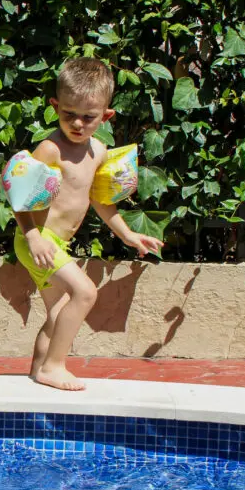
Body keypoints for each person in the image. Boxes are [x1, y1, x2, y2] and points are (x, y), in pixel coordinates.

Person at [14, 57, 164, 391]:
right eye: (69, 114)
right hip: (38, 239)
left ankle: (38, 373)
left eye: (88, 116)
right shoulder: (50, 150)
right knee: (84, 292)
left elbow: (100, 200)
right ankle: (54, 366)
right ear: (55, 107)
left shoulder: (98, 151)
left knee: (59, 313)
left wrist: (128, 234)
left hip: (56, 243)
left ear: (106, 116)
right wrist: (34, 236)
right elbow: (19, 196)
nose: (78, 123)